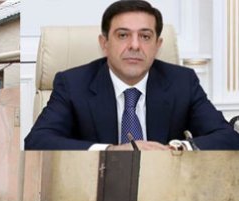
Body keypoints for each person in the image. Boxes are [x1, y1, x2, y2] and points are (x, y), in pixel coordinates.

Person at [24, 0, 239, 150]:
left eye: (145, 36)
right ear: (104, 43)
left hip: (166, 193)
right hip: (95, 193)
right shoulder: (73, 84)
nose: (134, 45)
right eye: (123, 35)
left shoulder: (182, 82)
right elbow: (37, 141)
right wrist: (111, 151)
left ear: (157, 45)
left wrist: (174, 149)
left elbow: (228, 138)